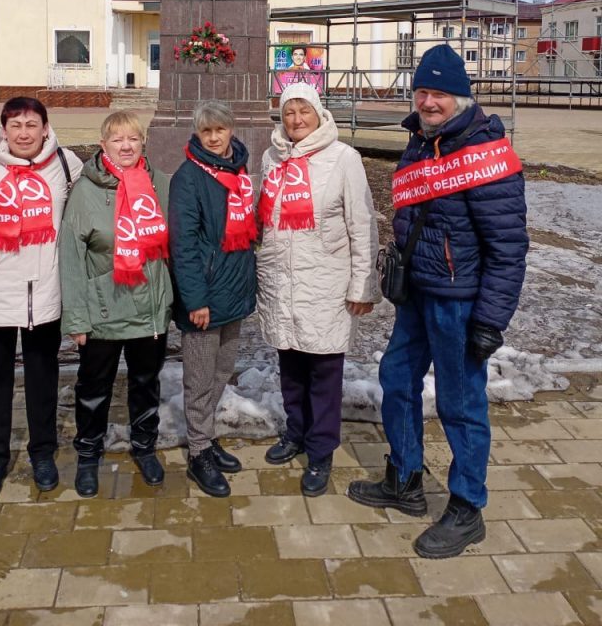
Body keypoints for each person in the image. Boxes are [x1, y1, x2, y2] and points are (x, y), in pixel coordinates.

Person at [348, 44, 529, 558]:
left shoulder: (486, 152)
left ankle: (467, 508)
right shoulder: (421, 141)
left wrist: (490, 320)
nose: (428, 101)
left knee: (460, 403)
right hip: (418, 294)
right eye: (422, 91)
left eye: (439, 94)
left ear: (460, 97)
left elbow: (508, 247)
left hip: (461, 302)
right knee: (396, 379)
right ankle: (405, 478)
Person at [0, 97, 82, 503]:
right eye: (16, 125)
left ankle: (42, 454)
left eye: (32, 124)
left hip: (44, 293)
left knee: (43, 381)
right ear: (3, 130)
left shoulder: (66, 165)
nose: (24, 133)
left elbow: (97, 200)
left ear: (46, 127)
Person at [256, 83, 379, 496]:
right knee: (290, 364)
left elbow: (362, 225)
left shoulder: (344, 158)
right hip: (281, 281)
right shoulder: (271, 157)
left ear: (319, 113)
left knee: (324, 371)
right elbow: (264, 220)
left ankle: (321, 450)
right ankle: (296, 432)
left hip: (327, 282)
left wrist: (363, 285)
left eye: (303, 111)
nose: (296, 120)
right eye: (289, 112)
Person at [59, 112, 173, 497]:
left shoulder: (159, 183)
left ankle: (145, 446)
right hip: (102, 311)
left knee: (145, 384)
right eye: (117, 139)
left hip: (149, 308)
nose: (126, 146)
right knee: (94, 389)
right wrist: (76, 318)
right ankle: (88, 454)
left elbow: (177, 241)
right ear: (103, 145)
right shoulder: (85, 190)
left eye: (133, 139)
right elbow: (71, 257)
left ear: (143, 143)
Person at [168, 100, 257, 496]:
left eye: (221, 129)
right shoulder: (188, 177)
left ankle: (205, 436)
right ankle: (198, 452)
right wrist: (195, 299)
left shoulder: (237, 170)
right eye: (207, 131)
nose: (215, 137)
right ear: (197, 134)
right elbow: (183, 245)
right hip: (204, 296)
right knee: (200, 378)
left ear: (231, 129)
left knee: (222, 371)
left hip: (233, 289)